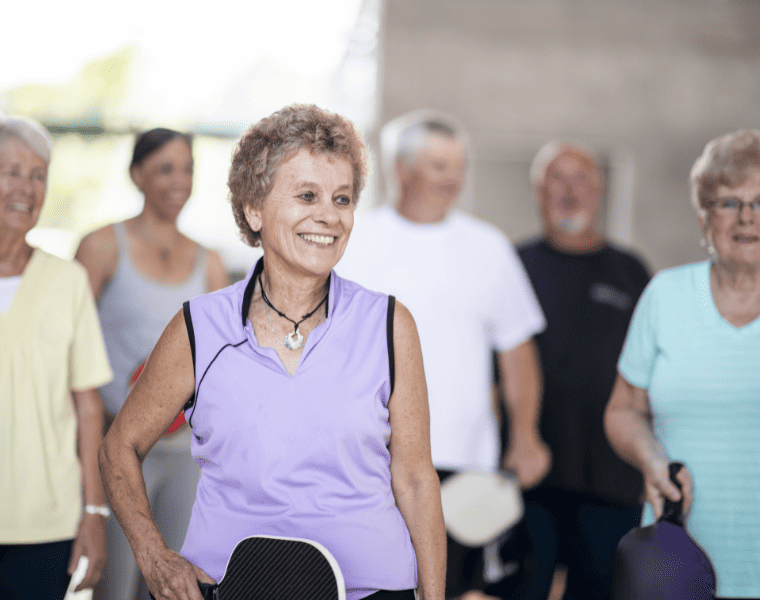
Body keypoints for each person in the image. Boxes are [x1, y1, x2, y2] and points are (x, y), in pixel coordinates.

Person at [99, 104, 446, 600]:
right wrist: (155, 558)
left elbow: (414, 479)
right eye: (307, 195)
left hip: (372, 591)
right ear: (254, 209)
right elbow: (119, 446)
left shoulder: (390, 326)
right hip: (231, 589)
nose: (329, 215)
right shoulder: (200, 327)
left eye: (342, 199)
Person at [337, 111, 549, 600]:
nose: (452, 178)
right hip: (371, 461)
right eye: (438, 165)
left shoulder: (489, 247)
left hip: (466, 462)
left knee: (452, 591)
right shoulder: (355, 241)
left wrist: (525, 434)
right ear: (401, 168)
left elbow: (517, 352)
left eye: (459, 166)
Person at [0, 113, 113, 599]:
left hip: (48, 526)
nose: (28, 187)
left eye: (39, 174)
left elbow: (88, 406)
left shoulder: (68, 282)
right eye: (12, 171)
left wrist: (94, 512)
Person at [605, 129, 760, 598]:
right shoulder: (665, 296)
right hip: (676, 568)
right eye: (728, 203)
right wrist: (652, 460)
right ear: (703, 219)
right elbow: (623, 409)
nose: (747, 218)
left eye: (759, 202)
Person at [75, 128, 227, 600]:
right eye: (165, 168)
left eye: (187, 169)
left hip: (186, 454)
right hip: (121, 449)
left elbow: (219, 366)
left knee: (178, 586)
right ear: (137, 175)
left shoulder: (211, 263)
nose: (178, 181)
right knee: (116, 587)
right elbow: (67, 348)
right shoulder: (101, 246)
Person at [512, 142, 651, 600]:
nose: (570, 191)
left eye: (582, 179)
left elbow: (652, 376)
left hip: (612, 478)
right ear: (537, 190)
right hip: (529, 476)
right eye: (557, 178)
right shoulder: (514, 266)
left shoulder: (632, 272)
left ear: (600, 190)